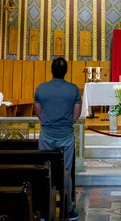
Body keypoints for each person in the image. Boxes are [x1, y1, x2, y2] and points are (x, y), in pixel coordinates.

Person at [34, 58, 82, 221]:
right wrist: (65, 124)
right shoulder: (73, 89)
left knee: (44, 170)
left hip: (47, 134)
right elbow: (76, 114)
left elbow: (38, 111)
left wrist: (48, 123)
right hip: (66, 135)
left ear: (51, 70)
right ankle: (68, 209)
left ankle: (44, 210)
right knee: (65, 172)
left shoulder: (41, 88)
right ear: (66, 71)